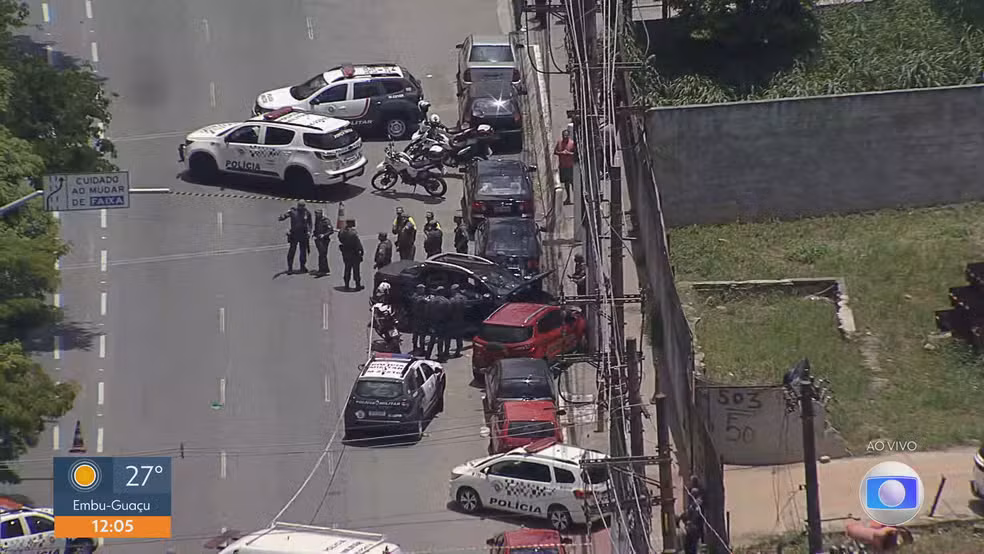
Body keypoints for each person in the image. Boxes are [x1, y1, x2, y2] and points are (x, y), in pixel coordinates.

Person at [278, 201, 312, 273]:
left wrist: (309, 231)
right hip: (294, 234)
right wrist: (282, 217)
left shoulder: (307, 213)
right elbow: (286, 215)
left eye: (302, 206)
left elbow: (309, 223)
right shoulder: (293, 211)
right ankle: (290, 267)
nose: (301, 207)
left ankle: (302, 267)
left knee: (303, 252)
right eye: (300, 206)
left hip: (303, 235)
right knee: (292, 251)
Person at [337, 219, 364, 291]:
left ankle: (346, 285)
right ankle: (357, 285)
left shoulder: (342, 232)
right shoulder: (353, 233)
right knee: (356, 270)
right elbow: (357, 244)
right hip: (354, 254)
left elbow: (340, 239)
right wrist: (361, 251)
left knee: (347, 269)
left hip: (346, 253)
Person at [425, 285, 450, 360]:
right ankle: (440, 356)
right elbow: (449, 313)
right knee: (440, 340)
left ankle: (428, 356)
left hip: (433, 323)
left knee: (432, 340)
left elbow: (427, 312)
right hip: (442, 324)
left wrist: (428, 323)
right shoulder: (446, 301)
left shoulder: (431, 301)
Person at [554, 128, 576, 205]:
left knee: (572, 183)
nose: (565, 137)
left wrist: (568, 153)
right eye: (564, 136)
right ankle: (568, 198)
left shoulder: (572, 143)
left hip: (570, 166)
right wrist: (561, 153)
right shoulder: (559, 142)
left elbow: (575, 154)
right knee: (566, 183)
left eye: (566, 136)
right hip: (563, 166)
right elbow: (555, 152)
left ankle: (576, 198)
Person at [312, 209, 334, 276]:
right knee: (322, 255)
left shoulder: (326, 221)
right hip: (318, 240)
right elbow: (316, 228)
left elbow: (331, 230)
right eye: (315, 214)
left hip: (324, 240)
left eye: (317, 214)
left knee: (322, 255)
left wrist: (324, 235)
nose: (316, 215)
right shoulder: (317, 220)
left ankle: (323, 270)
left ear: (321, 214)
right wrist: (314, 234)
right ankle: (324, 269)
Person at [447, 284, 467, 358]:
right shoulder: (463, 298)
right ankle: (458, 351)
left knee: (448, 336)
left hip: (452, 320)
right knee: (459, 337)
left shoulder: (452, 299)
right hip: (461, 319)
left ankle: (446, 351)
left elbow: (449, 310)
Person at [410, 284, 429, 355]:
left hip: (421, 318)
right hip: (418, 318)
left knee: (420, 335)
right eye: (422, 289)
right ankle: (417, 348)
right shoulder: (416, 297)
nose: (423, 290)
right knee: (418, 334)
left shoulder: (421, 296)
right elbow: (421, 301)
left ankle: (420, 348)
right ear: (419, 289)